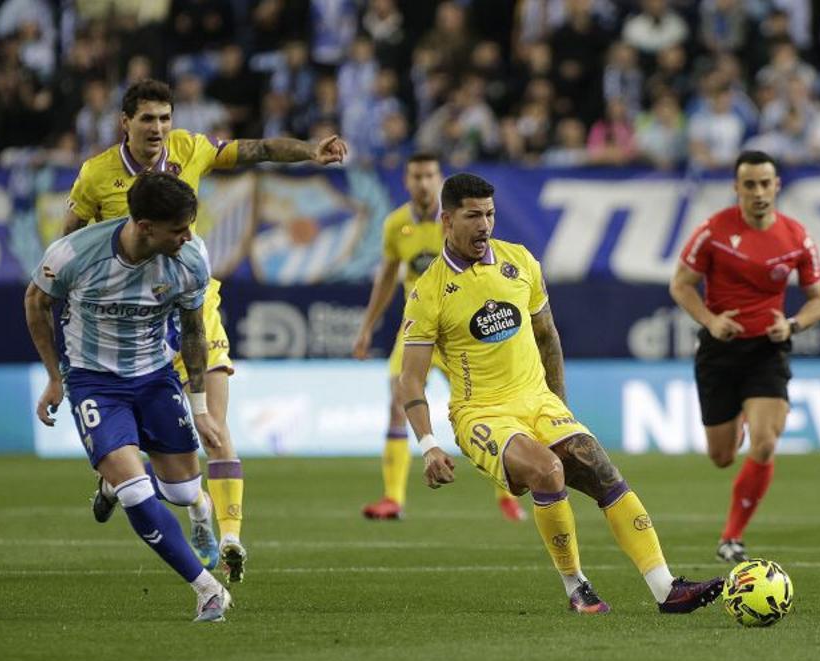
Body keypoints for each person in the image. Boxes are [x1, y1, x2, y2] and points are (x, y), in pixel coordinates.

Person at [398, 172, 724, 614]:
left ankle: (667, 589)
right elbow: (411, 378)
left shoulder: (520, 262)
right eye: (473, 216)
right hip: (482, 413)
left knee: (601, 469)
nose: (484, 225)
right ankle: (576, 586)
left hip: (538, 400)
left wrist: (560, 406)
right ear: (447, 220)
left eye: (490, 214)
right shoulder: (428, 293)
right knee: (547, 471)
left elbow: (547, 335)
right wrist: (428, 445)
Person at [65, 79, 348, 583]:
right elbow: (70, 243)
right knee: (155, 451)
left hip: (193, 306)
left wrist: (310, 150)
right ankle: (123, 484)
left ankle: (230, 535)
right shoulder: (96, 175)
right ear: (125, 122)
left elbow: (257, 149)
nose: (158, 128)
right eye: (148, 118)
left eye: (165, 117)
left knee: (214, 425)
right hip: (132, 325)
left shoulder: (190, 149)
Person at [25, 172, 232, 622]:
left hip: (155, 377)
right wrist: (54, 377)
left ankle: (192, 504)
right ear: (145, 226)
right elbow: (36, 302)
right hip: (94, 382)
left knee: (181, 491)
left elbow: (194, 331)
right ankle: (207, 589)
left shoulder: (190, 259)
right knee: (136, 491)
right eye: (178, 229)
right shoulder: (75, 254)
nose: (188, 236)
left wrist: (200, 408)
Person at [669, 150, 820, 564]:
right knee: (722, 457)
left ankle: (731, 537)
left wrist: (792, 325)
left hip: (767, 350)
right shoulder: (713, 231)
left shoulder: (797, 236)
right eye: (750, 184)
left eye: (765, 183)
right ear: (737, 188)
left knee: (765, 442)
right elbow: (681, 284)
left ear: (777, 186)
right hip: (719, 351)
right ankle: (739, 418)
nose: (759, 192)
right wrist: (711, 321)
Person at [353, 153, 527, 523]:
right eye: (416, 176)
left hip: (461, 330)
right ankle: (393, 497)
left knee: (488, 408)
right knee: (398, 401)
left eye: (430, 175)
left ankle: (508, 496)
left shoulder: (462, 219)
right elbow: (387, 276)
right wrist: (368, 326)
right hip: (417, 330)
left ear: (439, 179)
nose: (423, 183)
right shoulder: (395, 224)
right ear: (406, 180)